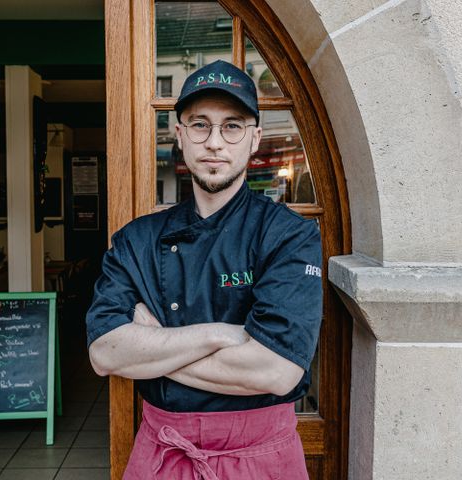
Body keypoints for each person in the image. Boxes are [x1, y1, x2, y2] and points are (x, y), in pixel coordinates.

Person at [86, 59, 323, 479]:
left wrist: (153, 345)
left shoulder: (288, 236)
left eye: (232, 126)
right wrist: (219, 334)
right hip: (164, 453)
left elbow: (278, 370)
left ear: (254, 140)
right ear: (180, 136)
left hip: (261, 458)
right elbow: (105, 353)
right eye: (200, 125)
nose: (215, 142)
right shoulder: (136, 241)